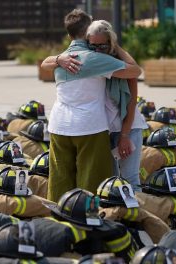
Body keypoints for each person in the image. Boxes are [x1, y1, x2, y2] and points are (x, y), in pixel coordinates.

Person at [40, 10, 142, 202]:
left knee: (60, 179)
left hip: (58, 125)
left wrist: (57, 59)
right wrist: (116, 47)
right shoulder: (96, 59)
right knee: (91, 181)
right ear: (88, 30)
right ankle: (88, 221)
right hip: (89, 127)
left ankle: (58, 221)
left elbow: (44, 64)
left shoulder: (61, 59)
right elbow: (135, 70)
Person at [85, 20, 147, 193]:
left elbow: (132, 101)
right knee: (110, 183)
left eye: (102, 46)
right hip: (104, 131)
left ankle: (137, 218)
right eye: (92, 46)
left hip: (128, 128)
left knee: (130, 180)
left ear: (110, 43)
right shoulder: (91, 63)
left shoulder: (121, 64)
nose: (97, 51)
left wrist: (124, 135)